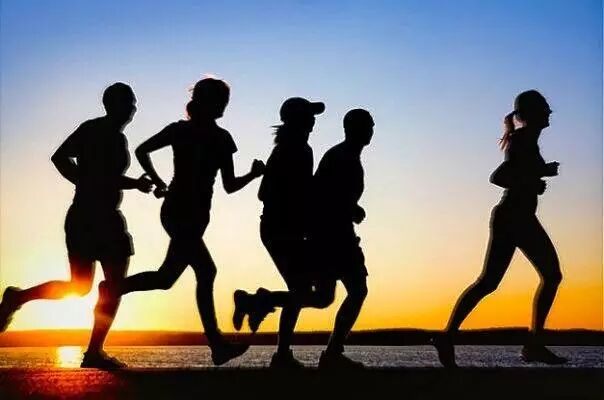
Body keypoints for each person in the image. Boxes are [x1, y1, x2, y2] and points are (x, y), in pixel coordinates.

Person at [110, 77, 264, 366]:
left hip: (190, 214)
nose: (224, 107)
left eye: (225, 102)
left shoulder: (212, 136)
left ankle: (114, 288)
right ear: (206, 102)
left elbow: (228, 185)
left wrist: (252, 176)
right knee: (206, 271)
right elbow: (143, 150)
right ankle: (217, 344)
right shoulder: (199, 134)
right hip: (180, 212)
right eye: (220, 101)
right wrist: (159, 182)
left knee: (166, 278)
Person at [0, 82, 152, 369]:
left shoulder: (109, 135)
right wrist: (90, 182)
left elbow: (92, 172)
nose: (133, 109)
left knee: (83, 286)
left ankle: (18, 298)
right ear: (113, 104)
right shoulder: (98, 132)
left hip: (90, 216)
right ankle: (93, 351)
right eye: (129, 103)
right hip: (94, 217)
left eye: (133, 104)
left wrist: (91, 182)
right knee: (106, 286)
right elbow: (71, 163)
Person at [434, 90, 567, 367]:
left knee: (491, 282)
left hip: (517, 217)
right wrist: (539, 174)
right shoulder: (522, 140)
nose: (549, 112)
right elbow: (499, 177)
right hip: (514, 217)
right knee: (546, 276)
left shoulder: (528, 140)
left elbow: (519, 176)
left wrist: (534, 180)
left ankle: (448, 337)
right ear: (531, 113)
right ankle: (533, 345)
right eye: (544, 107)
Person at [232, 97, 330, 369]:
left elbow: (268, 192)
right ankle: (256, 303)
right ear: (299, 120)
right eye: (309, 115)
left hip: (279, 228)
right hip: (283, 229)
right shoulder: (298, 149)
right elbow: (273, 193)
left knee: (301, 292)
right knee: (313, 295)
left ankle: (281, 351)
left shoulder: (286, 148)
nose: (313, 120)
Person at [309, 109, 373, 369]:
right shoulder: (341, 156)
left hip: (334, 234)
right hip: (333, 236)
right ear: (352, 129)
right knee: (357, 290)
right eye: (367, 126)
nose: (371, 130)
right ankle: (333, 353)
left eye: (371, 125)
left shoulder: (346, 156)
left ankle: (261, 300)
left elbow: (330, 193)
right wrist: (350, 209)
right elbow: (321, 194)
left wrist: (351, 208)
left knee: (323, 296)